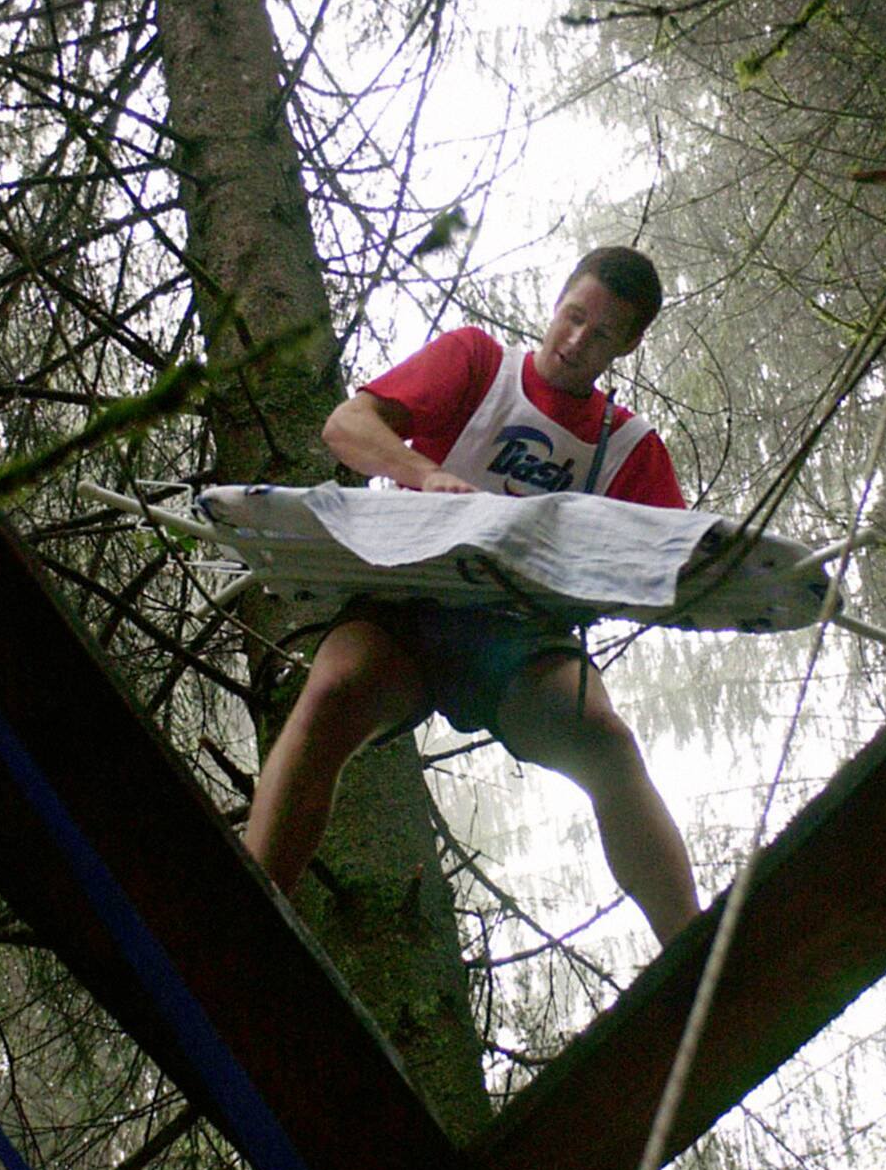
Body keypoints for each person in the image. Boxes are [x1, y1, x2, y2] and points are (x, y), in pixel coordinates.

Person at [244, 246, 701, 946]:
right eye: (574, 316)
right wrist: (425, 474)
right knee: (338, 686)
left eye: (602, 334)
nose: (577, 341)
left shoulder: (632, 449)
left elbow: (677, 566)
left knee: (604, 739)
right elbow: (348, 425)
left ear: (629, 344)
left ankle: (690, 949)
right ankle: (248, 903)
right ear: (558, 300)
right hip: (407, 599)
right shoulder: (479, 363)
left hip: (518, 636)